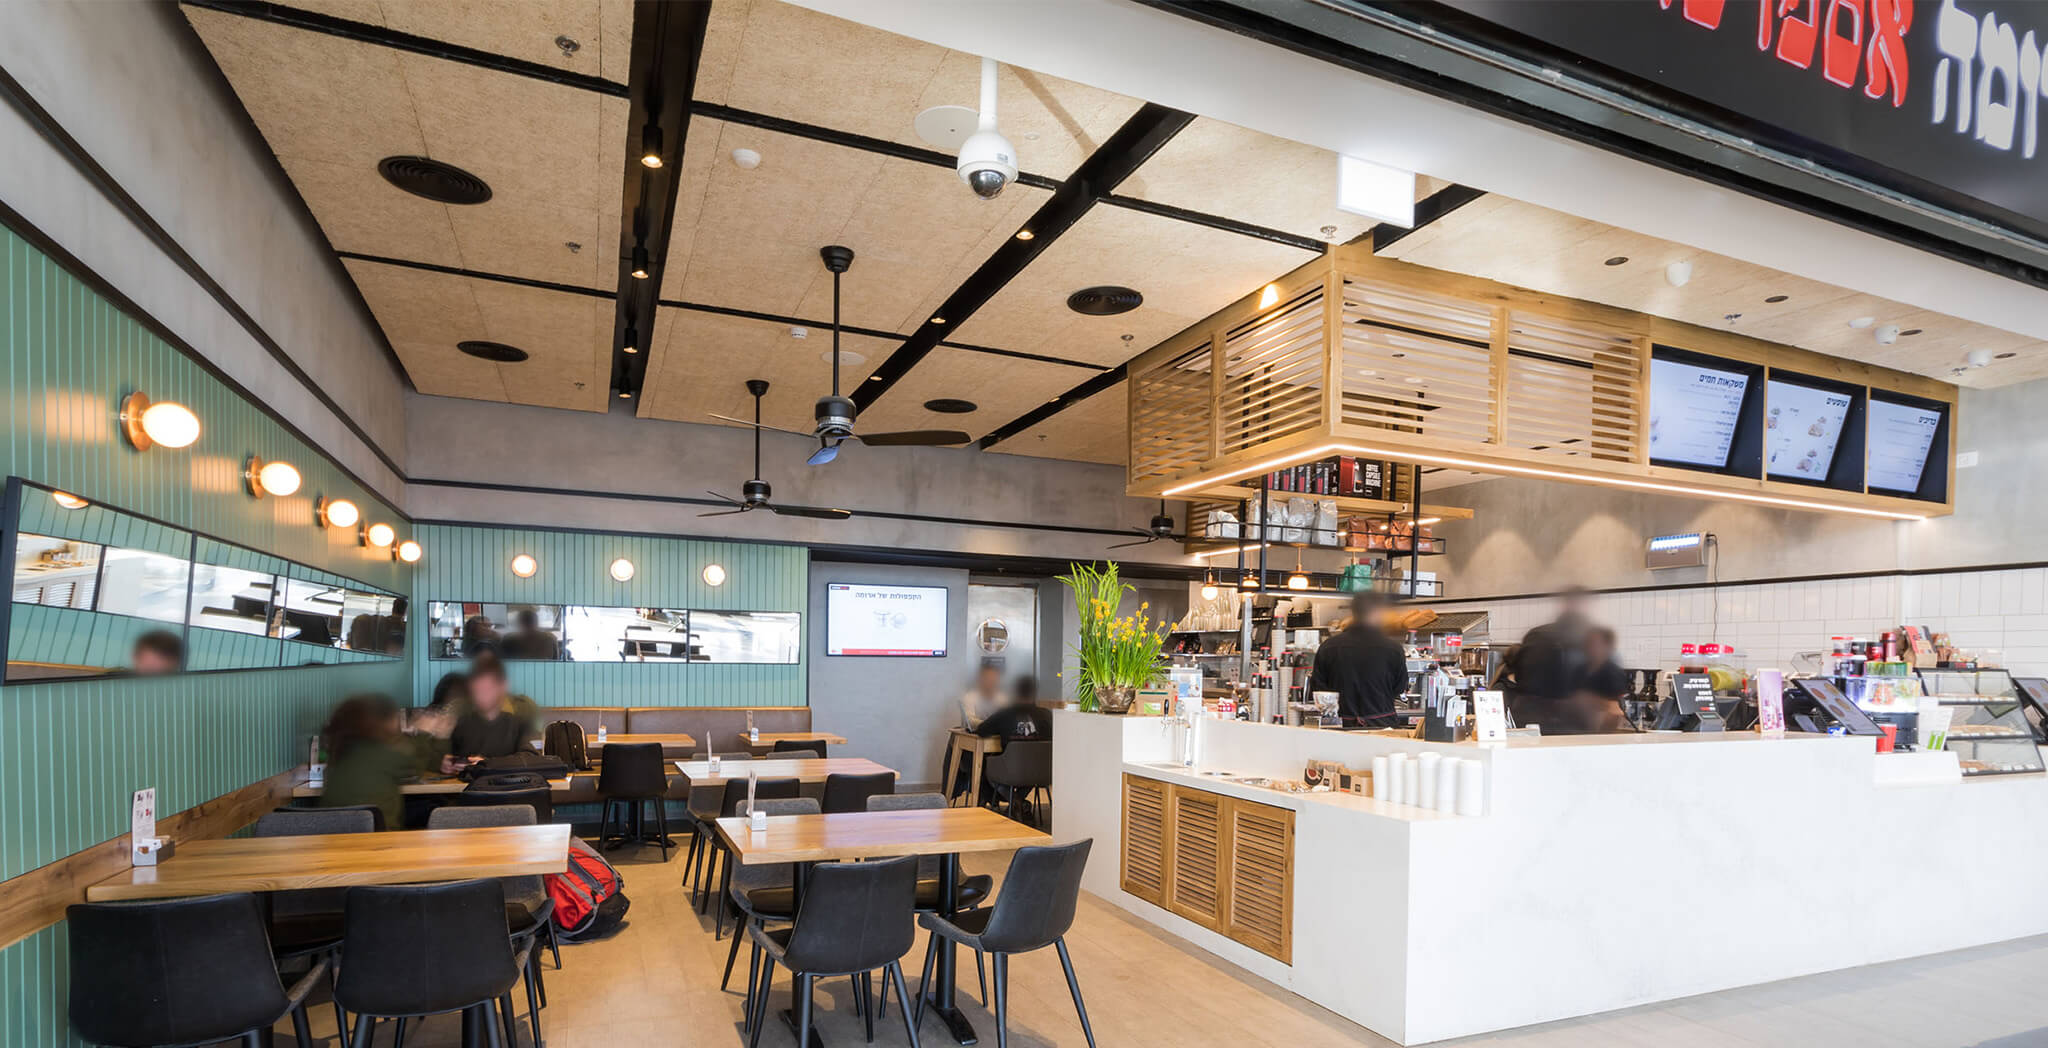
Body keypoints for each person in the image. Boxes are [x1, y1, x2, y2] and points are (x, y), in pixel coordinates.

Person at [1305, 591, 1409, 727]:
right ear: (1376, 612)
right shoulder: (1393, 648)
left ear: (1354, 613)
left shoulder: (1328, 647)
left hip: (1340, 727)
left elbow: (1319, 689)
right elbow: (1399, 687)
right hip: (1382, 726)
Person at [318, 694, 412, 829]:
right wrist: (427, 731)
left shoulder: (338, 756)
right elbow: (413, 767)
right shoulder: (384, 754)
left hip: (333, 838)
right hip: (378, 838)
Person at [449, 652, 541, 759]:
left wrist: (487, 764)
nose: (482, 697)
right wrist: (446, 762)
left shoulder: (523, 709)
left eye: (488, 690)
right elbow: (446, 751)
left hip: (511, 775)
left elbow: (531, 756)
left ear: (503, 686)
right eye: (477, 691)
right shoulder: (460, 711)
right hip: (465, 775)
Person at [974, 678, 1053, 743]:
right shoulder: (1046, 715)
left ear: (1016, 692)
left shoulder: (1004, 714)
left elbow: (981, 730)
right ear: (1035, 693)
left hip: (1008, 761)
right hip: (1043, 761)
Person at [958, 663, 1007, 730]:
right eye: (988, 678)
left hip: (997, 737)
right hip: (975, 737)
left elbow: (1007, 719)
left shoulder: (1002, 698)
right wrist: (991, 724)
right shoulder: (970, 697)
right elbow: (970, 720)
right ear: (981, 679)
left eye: (994, 678)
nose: (991, 681)